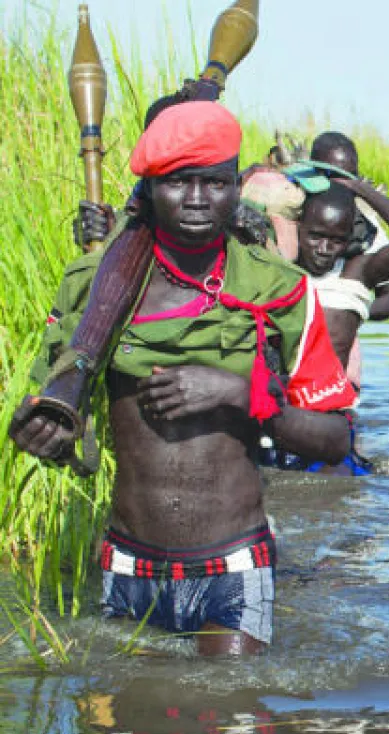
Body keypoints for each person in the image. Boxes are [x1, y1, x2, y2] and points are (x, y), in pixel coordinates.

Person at [8, 100, 357, 655]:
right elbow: (72, 438)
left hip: (235, 561)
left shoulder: (281, 290)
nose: (198, 199)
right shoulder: (92, 286)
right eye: (178, 183)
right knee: (124, 733)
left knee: (231, 714)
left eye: (215, 183)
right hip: (128, 560)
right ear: (148, 191)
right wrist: (48, 439)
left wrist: (239, 393)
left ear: (235, 187)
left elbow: (338, 438)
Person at [293, 179, 389, 370]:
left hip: (325, 394)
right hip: (277, 389)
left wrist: (362, 190)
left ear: (350, 237)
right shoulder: (281, 261)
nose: (324, 249)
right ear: (298, 227)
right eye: (315, 237)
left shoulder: (358, 273)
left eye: (336, 240)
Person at [308, 131, 389, 324]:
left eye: (348, 179)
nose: (341, 185)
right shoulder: (290, 209)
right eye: (332, 176)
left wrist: (352, 309)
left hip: (340, 334)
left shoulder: (364, 224)